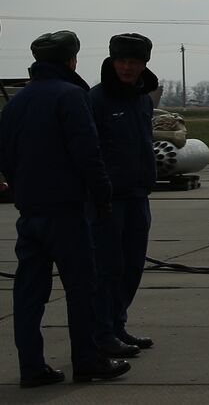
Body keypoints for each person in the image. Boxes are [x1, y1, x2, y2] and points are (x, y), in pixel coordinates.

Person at [0, 31, 131, 387]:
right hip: (67, 212)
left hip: (29, 212)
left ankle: (32, 367)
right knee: (82, 289)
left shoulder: (16, 103)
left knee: (29, 294)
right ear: (70, 60)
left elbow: (5, 157)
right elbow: (89, 154)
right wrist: (102, 198)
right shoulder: (71, 96)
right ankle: (88, 361)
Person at [88, 33, 160, 357]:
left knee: (132, 266)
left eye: (134, 62)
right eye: (122, 61)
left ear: (144, 63)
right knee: (107, 268)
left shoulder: (144, 99)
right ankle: (101, 333)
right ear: (112, 61)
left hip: (138, 196)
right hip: (108, 200)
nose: (127, 68)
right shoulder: (97, 99)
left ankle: (118, 325)